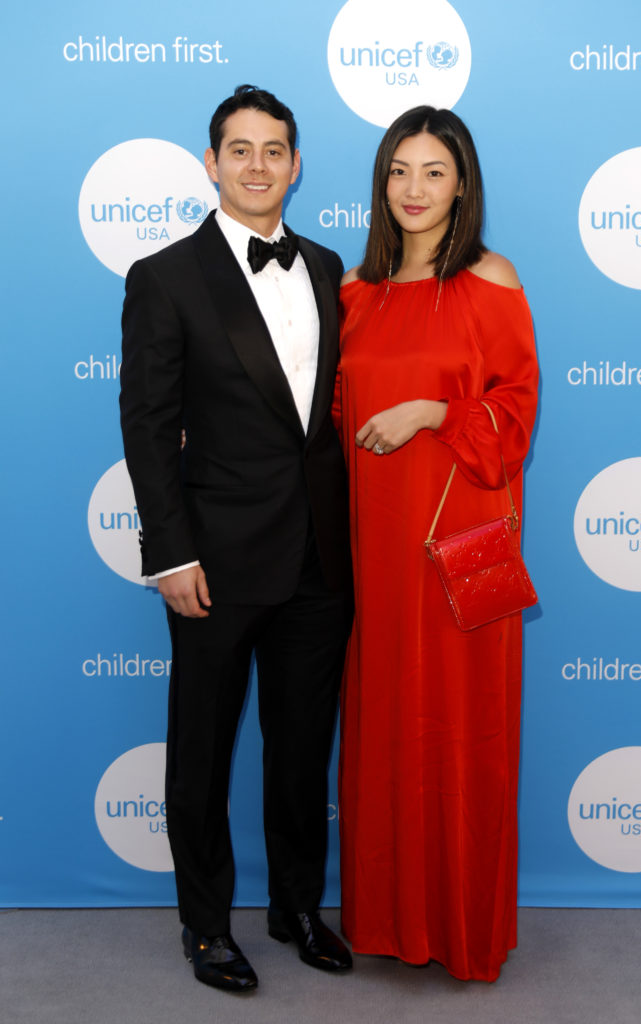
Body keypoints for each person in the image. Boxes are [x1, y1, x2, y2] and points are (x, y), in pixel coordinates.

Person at [119, 84, 353, 993]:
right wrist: (170, 554)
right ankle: (206, 926)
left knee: (301, 749)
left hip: (319, 562)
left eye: (275, 149)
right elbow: (147, 425)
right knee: (203, 749)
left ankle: (296, 907)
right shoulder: (165, 276)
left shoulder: (330, 268)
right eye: (240, 150)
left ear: (297, 165)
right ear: (211, 163)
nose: (259, 165)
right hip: (212, 562)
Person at [334, 105, 539, 981]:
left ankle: (462, 928)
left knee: (463, 735)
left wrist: (433, 411)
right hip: (372, 550)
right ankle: (386, 921)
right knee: (383, 725)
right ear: (381, 184)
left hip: (459, 547)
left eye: (434, 172)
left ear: (463, 184)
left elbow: (516, 414)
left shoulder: (492, 280)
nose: (414, 190)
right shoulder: (352, 290)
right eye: (399, 172)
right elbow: (325, 424)